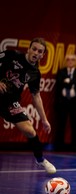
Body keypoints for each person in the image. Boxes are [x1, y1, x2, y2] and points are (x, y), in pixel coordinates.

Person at [0, 37, 56, 173]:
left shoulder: (35, 73)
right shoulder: (11, 55)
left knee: (30, 131)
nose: (36, 53)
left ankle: (40, 159)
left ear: (43, 55)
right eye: (34, 49)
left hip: (10, 101)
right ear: (29, 49)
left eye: (40, 51)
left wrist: (44, 120)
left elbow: (36, 97)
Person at [54, 54, 76, 152]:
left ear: (75, 61)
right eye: (68, 59)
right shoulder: (61, 72)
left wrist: (69, 81)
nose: (70, 61)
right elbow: (60, 83)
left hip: (75, 102)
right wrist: (74, 81)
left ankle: (75, 146)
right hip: (63, 101)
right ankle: (59, 146)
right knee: (61, 124)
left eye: (72, 59)